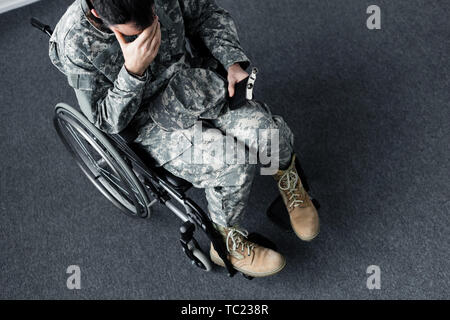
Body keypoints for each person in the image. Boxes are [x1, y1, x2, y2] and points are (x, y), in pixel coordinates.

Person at [49, 0, 320, 278]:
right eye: (135, 30)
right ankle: (226, 244)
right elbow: (104, 120)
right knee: (233, 165)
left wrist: (232, 61)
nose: (152, 25)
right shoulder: (75, 42)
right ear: (99, 15)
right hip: (148, 122)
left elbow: (206, 15)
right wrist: (132, 73)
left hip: (192, 82)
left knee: (267, 132)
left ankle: (289, 181)